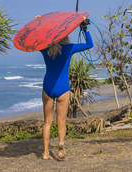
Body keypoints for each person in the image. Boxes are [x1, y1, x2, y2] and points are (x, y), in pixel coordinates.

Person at [40, 22, 93, 160]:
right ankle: (61, 145)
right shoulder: (69, 48)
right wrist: (84, 28)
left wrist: (40, 24)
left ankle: (45, 153)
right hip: (63, 87)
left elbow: (35, 42)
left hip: (48, 86)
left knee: (47, 122)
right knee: (61, 121)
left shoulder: (45, 48)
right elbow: (89, 44)